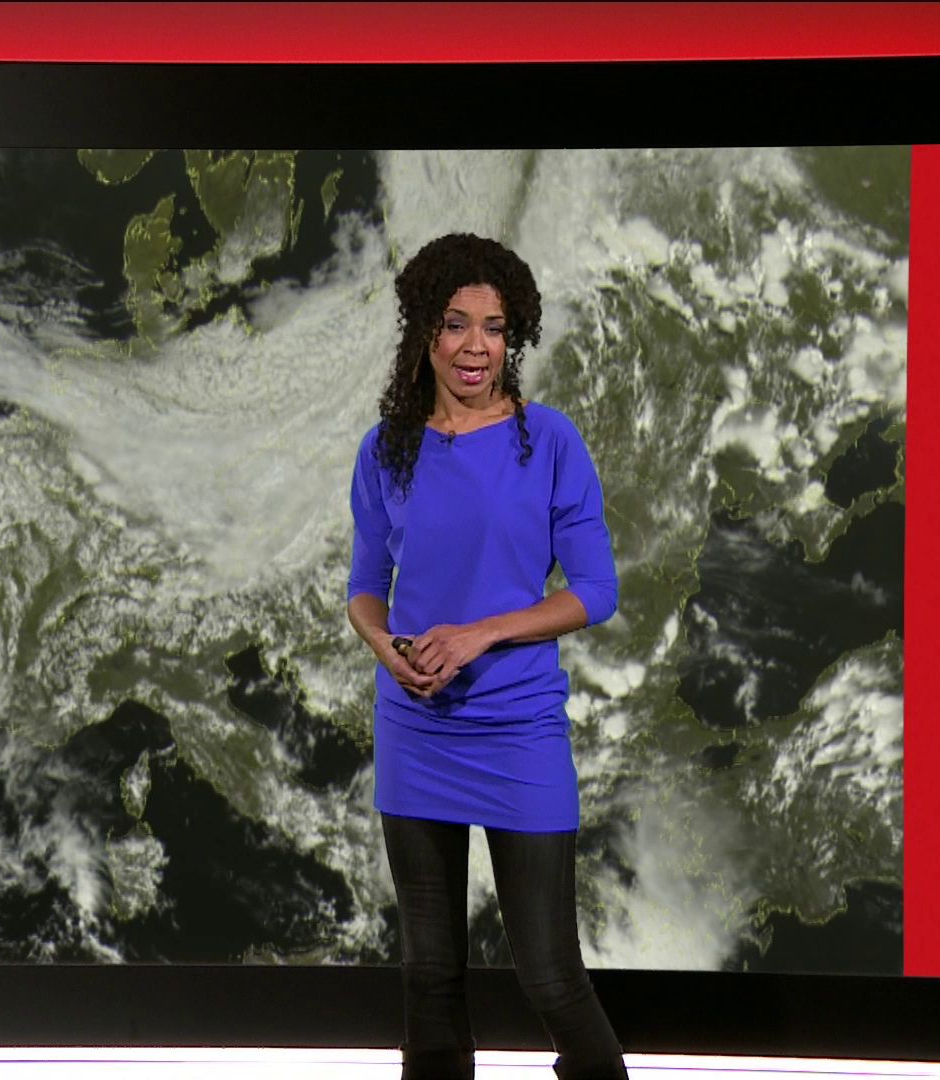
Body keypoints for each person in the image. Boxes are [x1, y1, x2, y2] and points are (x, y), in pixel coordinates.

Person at [346, 233, 628, 1080]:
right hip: (416, 729)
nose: (477, 346)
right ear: (424, 334)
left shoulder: (550, 443)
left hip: (518, 729)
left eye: (495, 328)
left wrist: (481, 633)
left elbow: (595, 591)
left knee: (550, 977)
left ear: (515, 337)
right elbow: (366, 586)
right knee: (429, 980)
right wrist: (384, 645)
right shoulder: (386, 449)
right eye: (456, 324)